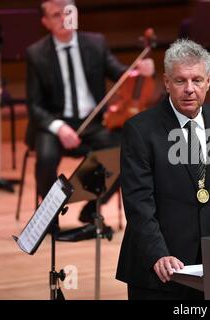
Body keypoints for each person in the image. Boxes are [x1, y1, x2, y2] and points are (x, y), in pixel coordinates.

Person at [116, 39, 210, 300]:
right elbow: (139, 202)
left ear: (209, 81)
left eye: (197, 80)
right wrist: (158, 254)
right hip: (159, 270)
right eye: (180, 81)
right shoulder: (140, 130)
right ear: (166, 82)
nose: (189, 89)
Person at [26, 0, 155, 226]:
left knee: (127, 152)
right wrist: (60, 128)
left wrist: (140, 72)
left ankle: (91, 207)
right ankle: (49, 216)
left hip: (94, 122)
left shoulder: (96, 43)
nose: (65, 18)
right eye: (57, 14)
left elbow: (121, 77)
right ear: (45, 22)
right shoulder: (36, 54)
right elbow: (34, 105)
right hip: (55, 124)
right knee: (45, 157)